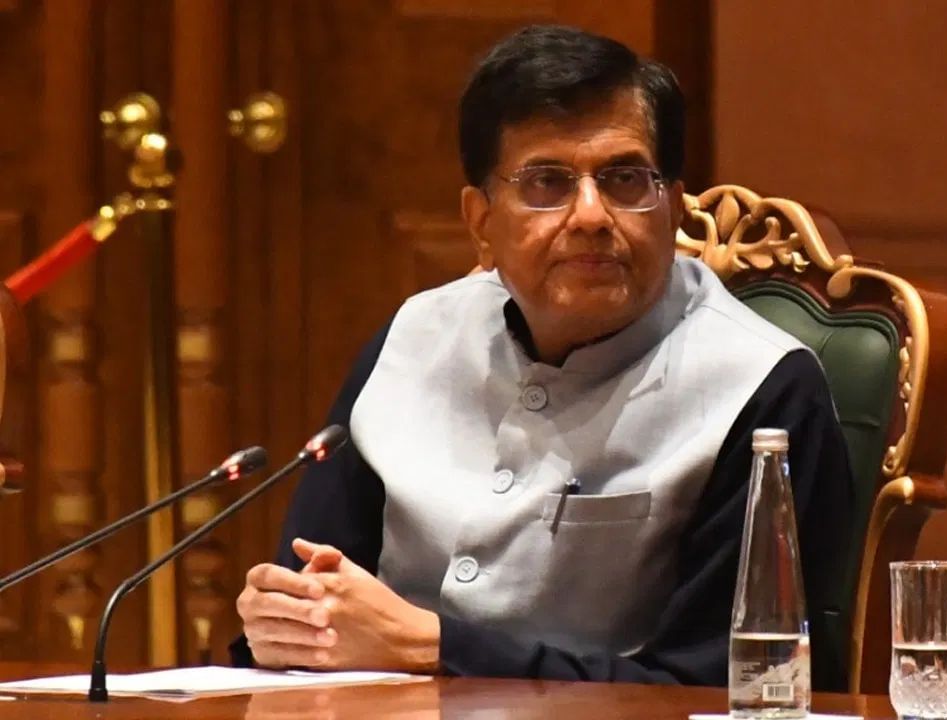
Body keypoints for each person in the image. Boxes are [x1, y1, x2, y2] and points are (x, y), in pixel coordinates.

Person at [230, 24, 855, 687]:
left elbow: (734, 689)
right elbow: (312, 598)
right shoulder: (413, 338)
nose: (591, 215)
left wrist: (433, 647)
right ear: (481, 222)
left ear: (672, 207)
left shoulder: (762, 389)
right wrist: (284, 621)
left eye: (624, 179)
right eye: (547, 182)